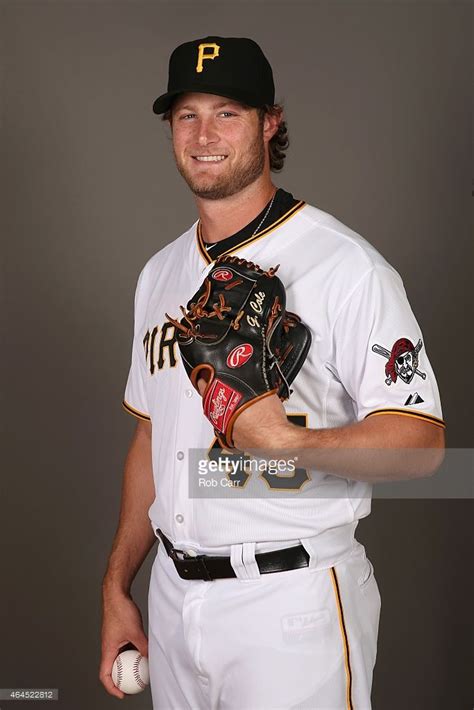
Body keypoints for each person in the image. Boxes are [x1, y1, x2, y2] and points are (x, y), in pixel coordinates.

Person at [100, 36, 445, 709]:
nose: (204, 134)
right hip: (172, 604)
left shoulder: (346, 266)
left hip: (291, 603)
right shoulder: (159, 274)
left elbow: (424, 447)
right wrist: (118, 588)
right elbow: (152, 444)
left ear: (269, 122)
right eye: (186, 114)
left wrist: (286, 446)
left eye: (227, 112)